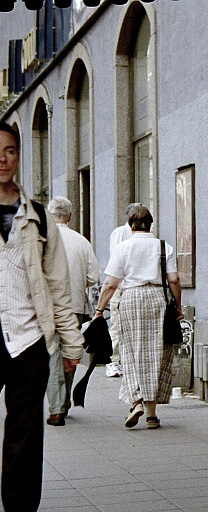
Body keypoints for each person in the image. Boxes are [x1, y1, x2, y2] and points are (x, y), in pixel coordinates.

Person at [0, 122, 84, 511]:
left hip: (29, 340)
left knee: (26, 437)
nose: (2, 159)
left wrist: (72, 344)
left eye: (10, 150)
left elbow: (57, 286)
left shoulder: (38, 216)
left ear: (19, 156)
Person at [93, 205, 182, 429]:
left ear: (130, 224)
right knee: (157, 353)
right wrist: (178, 306)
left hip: (131, 298)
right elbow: (173, 280)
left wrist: (99, 309)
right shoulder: (164, 247)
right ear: (151, 224)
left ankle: (136, 402)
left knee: (131, 351)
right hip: (158, 298)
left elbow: (111, 283)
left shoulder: (123, 247)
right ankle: (152, 415)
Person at [45, 196, 100, 426]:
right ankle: (63, 402)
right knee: (69, 354)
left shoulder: (43, 240)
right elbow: (94, 277)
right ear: (69, 215)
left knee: (52, 356)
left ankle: (57, 407)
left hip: (48, 306)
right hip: (74, 306)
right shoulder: (81, 241)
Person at [105, 202, 141, 378]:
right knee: (117, 325)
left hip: (134, 286)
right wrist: (119, 286)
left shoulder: (143, 234)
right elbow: (116, 260)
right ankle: (114, 360)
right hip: (122, 286)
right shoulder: (120, 232)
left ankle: (128, 361)